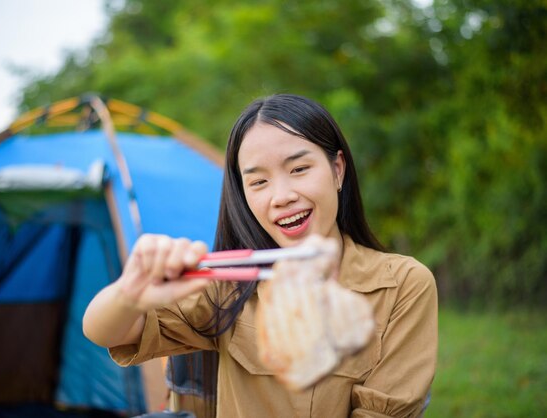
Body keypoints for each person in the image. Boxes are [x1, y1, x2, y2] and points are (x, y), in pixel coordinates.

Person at [83, 94, 438, 417]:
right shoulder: (229, 284)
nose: (281, 196)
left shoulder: (403, 285)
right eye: (258, 182)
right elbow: (108, 331)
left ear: (337, 169)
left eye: (299, 169)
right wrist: (130, 292)